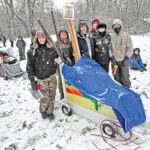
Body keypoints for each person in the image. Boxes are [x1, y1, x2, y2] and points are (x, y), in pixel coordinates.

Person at [26, 31, 58, 120]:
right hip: (41, 78)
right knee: (45, 97)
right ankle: (43, 110)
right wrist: (32, 80)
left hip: (52, 77)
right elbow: (29, 66)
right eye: (40, 38)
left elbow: (57, 56)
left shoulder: (51, 48)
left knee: (52, 95)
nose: (42, 39)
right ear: (37, 39)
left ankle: (50, 111)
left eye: (43, 37)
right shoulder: (32, 51)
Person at [110, 19, 133, 88]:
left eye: (118, 25)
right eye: (114, 25)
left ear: (121, 26)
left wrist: (127, 57)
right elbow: (109, 48)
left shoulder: (126, 35)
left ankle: (127, 91)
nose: (116, 27)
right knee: (115, 76)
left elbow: (130, 47)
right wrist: (112, 57)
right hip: (114, 62)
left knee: (125, 77)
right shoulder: (111, 36)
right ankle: (119, 91)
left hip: (124, 61)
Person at [56, 28, 74, 100]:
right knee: (61, 81)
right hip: (60, 65)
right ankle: (62, 94)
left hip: (70, 64)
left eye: (65, 33)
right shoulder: (57, 43)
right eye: (62, 33)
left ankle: (70, 93)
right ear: (59, 35)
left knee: (69, 80)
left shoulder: (70, 43)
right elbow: (54, 54)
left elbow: (73, 52)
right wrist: (58, 60)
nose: (63, 34)